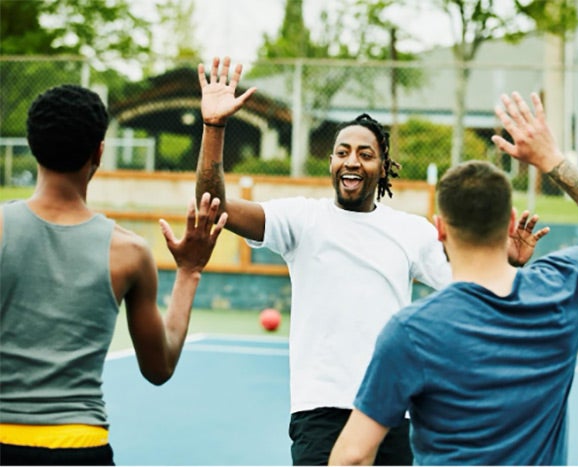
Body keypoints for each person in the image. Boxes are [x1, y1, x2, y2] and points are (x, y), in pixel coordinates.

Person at [194, 57, 549, 466]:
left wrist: (506, 260)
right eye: (342, 152)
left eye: (365, 154)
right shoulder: (302, 220)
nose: (351, 161)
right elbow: (213, 202)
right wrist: (214, 127)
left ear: (383, 168)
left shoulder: (411, 232)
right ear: (330, 163)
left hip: (392, 410)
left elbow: (471, 286)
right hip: (320, 411)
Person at [328, 91, 578, 466]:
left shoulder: (410, 331)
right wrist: (550, 159)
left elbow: (352, 457)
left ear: (440, 230)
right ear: (511, 223)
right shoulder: (561, 291)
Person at [0, 84, 227, 465]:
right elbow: (160, 367)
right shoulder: (129, 253)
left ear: (31, 144)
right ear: (99, 152)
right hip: (80, 447)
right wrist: (188, 271)